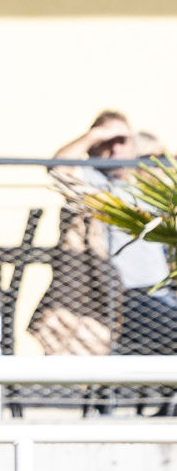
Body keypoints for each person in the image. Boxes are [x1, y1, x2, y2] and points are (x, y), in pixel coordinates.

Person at [34, 112, 177, 361]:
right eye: (107, 142)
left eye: (122, 140)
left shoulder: (147, 183)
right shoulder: (94, 185)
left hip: (163, 292)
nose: (115, 149)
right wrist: (95, 135)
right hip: (127, 299)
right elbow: (58, 167)